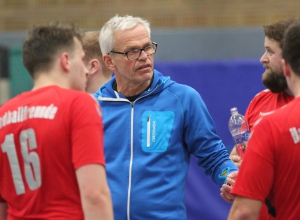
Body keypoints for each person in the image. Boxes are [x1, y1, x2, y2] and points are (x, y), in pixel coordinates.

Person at [93, 14, 238, 219]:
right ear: (109, 61)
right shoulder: (92, 107)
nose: (144, 56)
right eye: (132, 51)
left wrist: (230, 177)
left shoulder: (183, 99)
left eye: (148, 47)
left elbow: (214, 157)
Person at [0, 23, 113, 219]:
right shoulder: (78, 104)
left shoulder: (4, 114)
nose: (86, 71)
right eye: (81, 59)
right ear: (65, 61)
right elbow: (95, 195)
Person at [222, 18, 298, 219]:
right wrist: (236, 179)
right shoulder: (260, 100)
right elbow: (239, 154)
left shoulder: (274, 123)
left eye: (270, 51)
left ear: (290, 59)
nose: (262, 58)